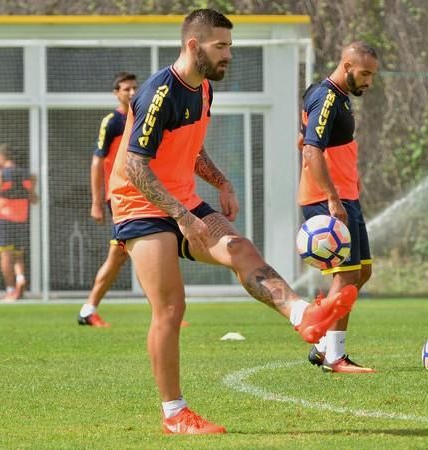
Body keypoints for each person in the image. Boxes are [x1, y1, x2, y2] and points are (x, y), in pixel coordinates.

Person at [108, 8, 358, 435]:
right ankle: (175, 414)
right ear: (193, 45)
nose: (228, 55)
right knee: (170, 307)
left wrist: (221, 182)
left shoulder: (204, 89)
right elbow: (134, 167)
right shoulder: (157, 94)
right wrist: (183, 216)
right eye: (220, 46)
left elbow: (191, 148)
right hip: (139, 205)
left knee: (241, 249)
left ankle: (303, 315)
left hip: (181, 199)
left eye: (230, 46)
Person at [297, 41, 379, 373]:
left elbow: (305, 140)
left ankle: (322, 345)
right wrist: (331, 197)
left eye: (372, 74)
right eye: (364, 73)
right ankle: (335, 356)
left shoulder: (336, 97)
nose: (369, 81)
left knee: (361, 272)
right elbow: (311, 151)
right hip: (329, 200)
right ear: (346, 66)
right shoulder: (328, 97)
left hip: (346, 198)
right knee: (346, 275)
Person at [77, 72, 137, 327]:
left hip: (139, 197)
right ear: (116, 93)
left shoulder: (142, 118)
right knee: (120, 254)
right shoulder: (112, 121)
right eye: (126, 89)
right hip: (120, 198)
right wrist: (96, 201)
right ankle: (88, 310)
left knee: (138, 252)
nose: (132, 93)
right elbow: (97, 161)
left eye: (135, 88)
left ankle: (167, 311)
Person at [0, 144, 38, 302]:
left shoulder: (0, 174)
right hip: (21, 217)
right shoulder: (28, 175)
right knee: (18, 254)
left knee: (5, 254)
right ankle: (20, 279)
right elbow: (33, 197)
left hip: (4, 217)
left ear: (2, 157)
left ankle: (10, 290)